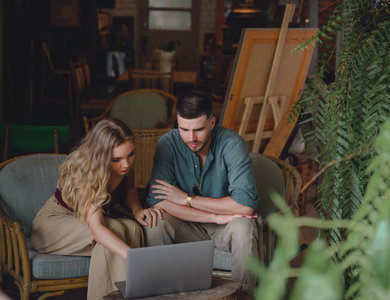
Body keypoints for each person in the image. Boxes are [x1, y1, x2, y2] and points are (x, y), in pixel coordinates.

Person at [31, 118, 163, 300]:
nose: (126, 164)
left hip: (84, 222)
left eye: (131, 154)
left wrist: (137, 210)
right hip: (54, 224)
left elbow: (129, 188)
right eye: (116, 159)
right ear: (100, 156)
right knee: (114, 231)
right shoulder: (87, 174)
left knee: (132, 228)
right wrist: (134, 257)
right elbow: (98, 229)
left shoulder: (124, 165)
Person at [144, 91, 259, 295]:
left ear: (212, 123)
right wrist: (214, 216)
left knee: (244, 225)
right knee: (156, 221)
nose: (191, 138)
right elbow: (159, 202)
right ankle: (161, 295)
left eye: (198, 129)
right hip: (187, 226)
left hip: (226, 229)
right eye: (184, 129)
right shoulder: (167, 144)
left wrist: (186, 199)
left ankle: (244, 296)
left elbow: (244, 205)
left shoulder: (232, 144)